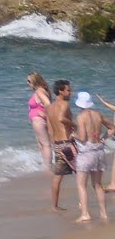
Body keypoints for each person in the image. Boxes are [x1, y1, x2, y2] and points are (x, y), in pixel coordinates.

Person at [74, 90, 110, 224]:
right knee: (98, 185)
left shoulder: (81, 116)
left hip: (86, 153)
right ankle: (104, 213)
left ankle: (85, 214)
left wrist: (73, 135)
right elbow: (112, 127)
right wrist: (104, 138)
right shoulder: (98, 114)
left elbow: (82, 138)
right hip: (99, 151)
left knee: (81, 185)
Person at [49, 78, 77, 211]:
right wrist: (74, 125)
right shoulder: (64, 104)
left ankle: (54, 206)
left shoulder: (49, 107)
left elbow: (50, 128)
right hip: (67, 143)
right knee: (81, 171)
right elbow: (61, 118)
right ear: (61, 91)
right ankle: (83, 202)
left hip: (57, 143)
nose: (71, 93)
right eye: (68, 90)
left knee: (57, 176)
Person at [30, 73, 56, 164]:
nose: (27, 83)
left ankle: (48, 167)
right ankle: (46, 164)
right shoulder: (44, 90)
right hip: (39, 120)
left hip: (39, 120)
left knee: (45, 145)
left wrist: (44, 114)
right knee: (42, 144)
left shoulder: (39, 91)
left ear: (35, 81)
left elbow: (48, 103)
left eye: (29, 81)